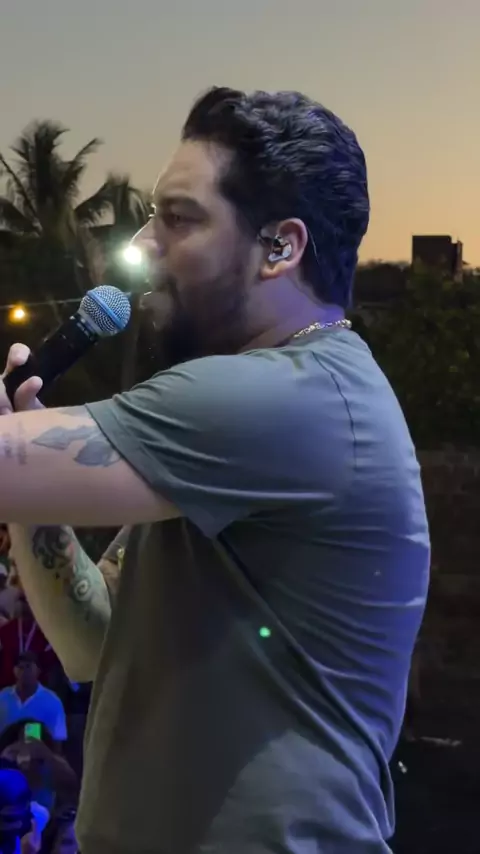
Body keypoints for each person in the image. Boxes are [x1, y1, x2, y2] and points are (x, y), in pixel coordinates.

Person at [0, 87, 430, 853]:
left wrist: (18, 452)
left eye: (180, 218)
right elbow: (91, 640)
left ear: (280, 248)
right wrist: (28, 470)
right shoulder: (234, 434)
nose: (144, 245)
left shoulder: (287, 397)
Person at [0, 654, 67, 744]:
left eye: (28, 667)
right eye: (20, 667)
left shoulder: (52, 701)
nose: (24, 671)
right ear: (14, 670)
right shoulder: (3, 697)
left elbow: (58, 739)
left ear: (38, 670)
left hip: (36, 749)